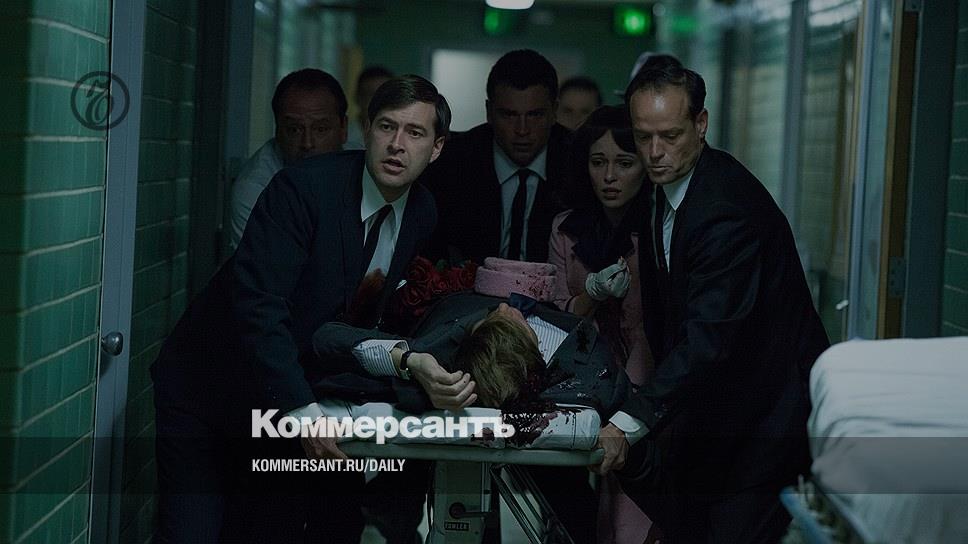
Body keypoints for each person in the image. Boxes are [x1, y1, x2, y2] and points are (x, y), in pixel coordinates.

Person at [150, 75, 454, 544]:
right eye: (386, 127)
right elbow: (259, 307)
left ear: (436, 148)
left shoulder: (422, 211)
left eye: (415, 132)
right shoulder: (302, 189)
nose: (397, 144)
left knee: (287, 526)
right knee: (195, 533)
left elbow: (360, 315)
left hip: (286, 394)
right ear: (365, 130)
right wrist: (303, 410)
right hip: (209, 386)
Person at [593, 59, 830, 543]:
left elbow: (708, 340)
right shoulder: (668, 187)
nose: (654, 152)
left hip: (767, 423)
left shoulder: (725, 210)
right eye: (643, 137)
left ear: (700, 124)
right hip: (718, 418)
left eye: (670, 135)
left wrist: (630, 420)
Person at [311, 291, 632, 542]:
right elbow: (325, 338)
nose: (506, 305)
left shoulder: (590, 374)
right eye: (502, 315)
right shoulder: (433, 356)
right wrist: (409, 360)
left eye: (507, 317)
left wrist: (619, 430)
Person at [547, 105, 655, 543]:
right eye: (598, 162)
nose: (610, 176)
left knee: (629, 515)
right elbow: (556, 319)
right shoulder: (566, 229)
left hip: (647, 383)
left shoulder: (657, 228)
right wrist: (591, 291)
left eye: (624, 163)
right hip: (580, 381)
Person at [422, 49, 568, 264]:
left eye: (535, 115)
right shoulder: (451, 164)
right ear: (489, 112)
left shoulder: (577, 162)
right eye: (509, 115)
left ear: (554, 111)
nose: (522, 130)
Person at [229, 68, 348, 249]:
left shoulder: (365, 166)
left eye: (321, 129)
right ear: (277, 130)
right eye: (294, 129)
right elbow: (266, 264)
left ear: (343, 128)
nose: (307, 143)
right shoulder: (256, 189)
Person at [347, 65, 394, 149]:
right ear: (358, 98)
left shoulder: (401, 138)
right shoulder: (344, 137)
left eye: (385, 95)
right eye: (371, 95)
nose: (380, 101)